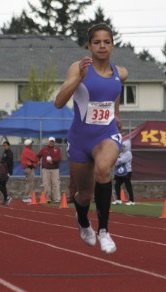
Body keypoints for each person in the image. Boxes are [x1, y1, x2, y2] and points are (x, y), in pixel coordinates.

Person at [55, 23, 128, 254]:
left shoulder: (121, 72)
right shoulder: (78, 68)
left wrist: (116, 114)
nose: (102, 46)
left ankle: (104, 230)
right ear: (89, 45)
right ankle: (83, 221)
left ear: (113, 45)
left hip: (106, 134)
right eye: (97, 42)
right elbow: (58, 102)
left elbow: (113, 93)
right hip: (80, 137)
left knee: (104, 169)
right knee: (84, 195)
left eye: (106, 41)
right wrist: (80, 78)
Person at [37, 137, 62, 203]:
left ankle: (57, 199)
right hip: (46, 169)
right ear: (48, 142)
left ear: (54, 142)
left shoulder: (57, 149)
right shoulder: (44, 149)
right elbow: (38, 155)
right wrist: (38, 161)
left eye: (52, 141)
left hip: (55, 169)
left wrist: (52, 160)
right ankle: (47, 199)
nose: (51, 143)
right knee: (46, 184)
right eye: (50, 141)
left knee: (55, 184)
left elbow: (59, 158)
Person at [112, 140, 135, 206]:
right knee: (117, 185)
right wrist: (116, 160)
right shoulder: (120, 153)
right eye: (122, 146)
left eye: (124, 146)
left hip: (127, 172)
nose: (122, 148)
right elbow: (116, 162)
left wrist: (116, 160)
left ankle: (131, 200)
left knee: (128, 186)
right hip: (119, 172)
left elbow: (121, 161)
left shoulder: (128, 153)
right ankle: (118, 199)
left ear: (127, 147)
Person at [20, 139, 39, 203]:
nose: (32, 145)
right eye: (31, 144)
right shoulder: (27, 151)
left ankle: (27, 196)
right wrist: (35, 163)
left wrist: (34, 163)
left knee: (29, 182)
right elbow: (35, 158)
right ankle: (26, 197)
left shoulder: (26, 150)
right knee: (29, 182)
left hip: (28, 168)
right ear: (29, 145)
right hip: (28, 168)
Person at [0, 141, 13, 206]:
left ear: (8, 145)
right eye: (4, 145)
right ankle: (6, 198)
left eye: (6, 145)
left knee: (0, 184)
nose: (4, 146)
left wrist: (2, 165)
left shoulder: (10, 153)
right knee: (1, 185)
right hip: (2, 171)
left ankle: (6, 198)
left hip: (6, 172)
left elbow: (8, 162)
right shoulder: (4, 152)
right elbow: (2, 161)